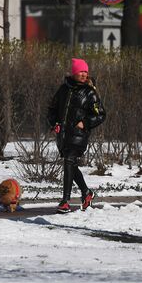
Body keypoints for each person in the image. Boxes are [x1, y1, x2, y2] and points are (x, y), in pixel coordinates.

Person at [47, 58, 106, 213]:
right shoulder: (63, 89)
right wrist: (54, 124)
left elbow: (100, 115)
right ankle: (86, 193)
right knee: (71, 165)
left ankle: (65, 202)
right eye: (81, 71)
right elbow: (52, 109)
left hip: (79, 135)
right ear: (74, 72)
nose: (84, 74)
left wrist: (85, 123)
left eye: (86, 71)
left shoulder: (90, 92)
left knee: (69, 161)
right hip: (63, 136)